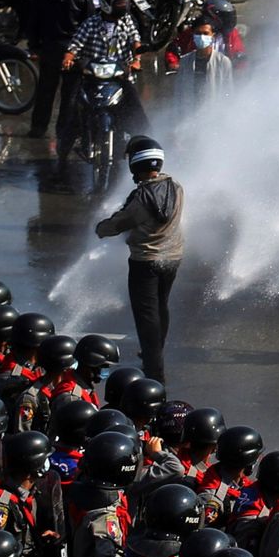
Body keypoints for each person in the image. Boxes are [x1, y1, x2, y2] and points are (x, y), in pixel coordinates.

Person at [95, 136, 184, 384]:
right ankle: (153, 354)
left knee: (147, 317)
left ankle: (154, 374)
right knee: (160, 306)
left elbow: (119, 224)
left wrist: (100, 228)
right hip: (173, 257)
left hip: (145, 261)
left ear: (136, 164)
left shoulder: (142, 198)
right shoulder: (176, 187)